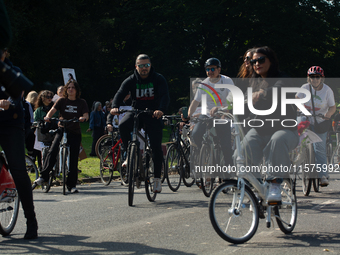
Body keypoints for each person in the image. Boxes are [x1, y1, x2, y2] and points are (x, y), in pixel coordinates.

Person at [234, 46, 299, 204]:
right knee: (240, 153)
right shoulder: (253, 82)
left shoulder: (282, 78)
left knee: (277, 141)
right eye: (254, 61)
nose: (256, 63)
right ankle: (257, 188)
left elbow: (280, 89)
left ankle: (275, 184)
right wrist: (222, 109)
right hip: (260, 130)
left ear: (271, 61)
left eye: (261, 60)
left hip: (285, 130)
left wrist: (262, 93)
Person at [107, 54, 169, 193]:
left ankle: (157, 179)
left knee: (155, 146)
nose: (144, 68)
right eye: (141, 66)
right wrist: (115, 107)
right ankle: (130, 153)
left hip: (153, 114)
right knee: (123, 125)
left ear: (150, 65)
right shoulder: (131, 79)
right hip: (137, 112)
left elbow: (165, 95)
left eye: (146, 65)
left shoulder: (158, 78)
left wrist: (161, 110)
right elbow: (120, 92)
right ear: (136, 66)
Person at [34, 80, 89, 193]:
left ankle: (71, 185)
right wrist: (47, 117)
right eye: (68, 87)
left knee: (74, 158)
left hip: (74, 131)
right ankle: (44, 176)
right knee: (53, 150)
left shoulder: (81, 102)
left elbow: (86, 114)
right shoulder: (62, 100)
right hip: (62, 129)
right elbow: (52, 110)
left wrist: (83, 118)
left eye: (73, 87)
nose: (70, 89)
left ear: (76, 90)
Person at [182, 58, 234, 168]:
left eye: (212, 69)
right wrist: (188, 116)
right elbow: (195, 101)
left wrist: (222, 109)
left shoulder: (227, 81)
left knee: (225, 145)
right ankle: (205, 153)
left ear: (219, 69)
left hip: (222, 113)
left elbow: (231, 102)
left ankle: (229, 169)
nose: (210, 71)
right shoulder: (203, 84)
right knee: (195, 134)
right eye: (207, 69)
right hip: (206, 114)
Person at [296, 66, 336, 186]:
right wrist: (300, 108)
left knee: (320, 149)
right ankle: (299, 149)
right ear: (309, 78)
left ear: (321, 78)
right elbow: (297, 99)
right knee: (299, 120)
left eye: (317, 77)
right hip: (306, 118)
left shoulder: (327, 90)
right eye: (312, 77)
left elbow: (332, 107)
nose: (315, 79)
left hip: (320, 121)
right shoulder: (304, 88)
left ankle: (323, 175)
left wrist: (328, 115)